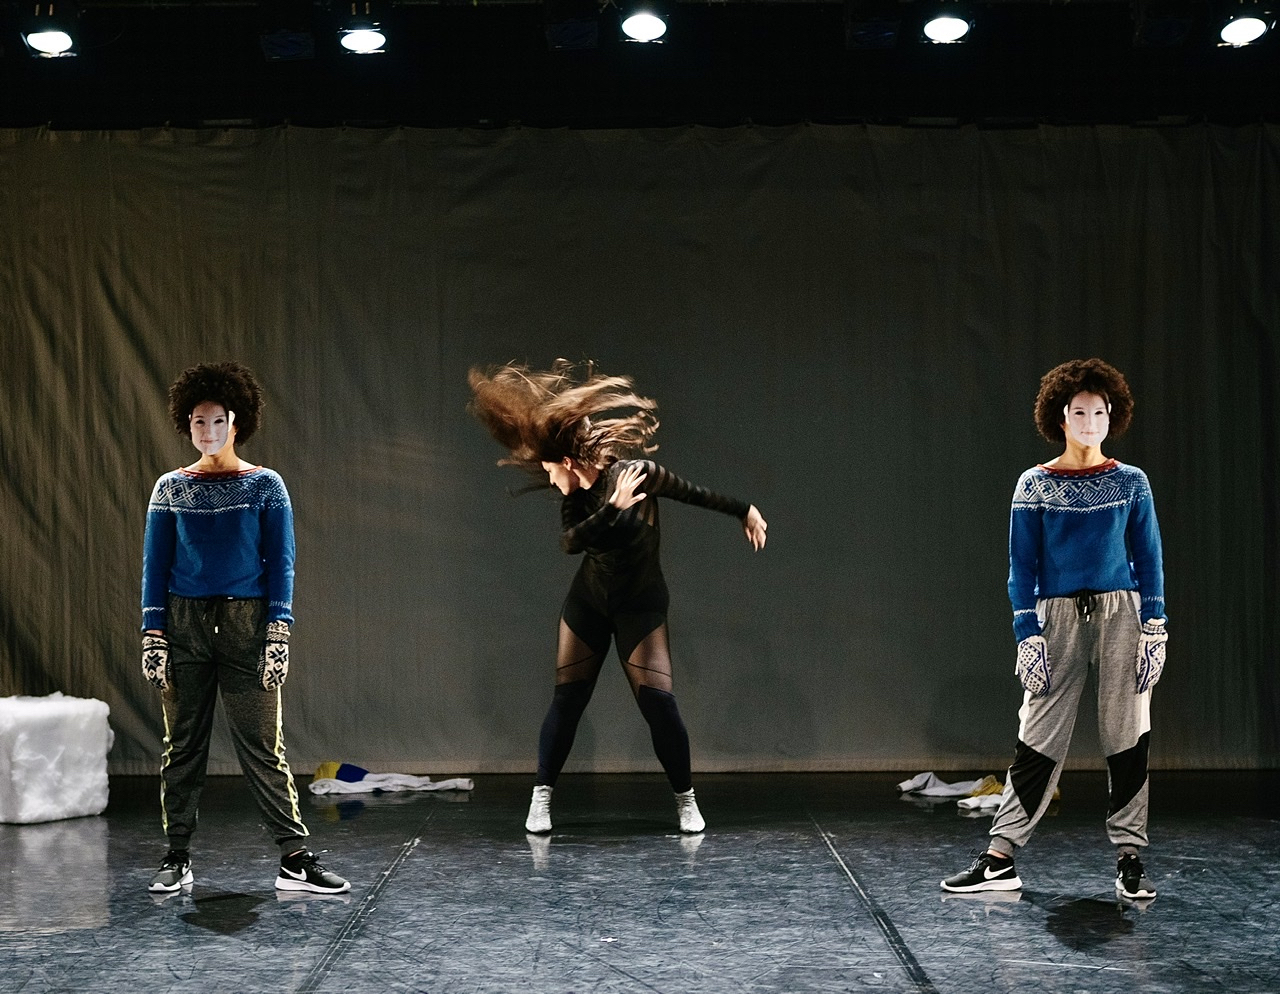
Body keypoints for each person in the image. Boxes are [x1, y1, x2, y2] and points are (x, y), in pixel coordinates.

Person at [468, 360, 768, 835]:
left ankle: (686, 801)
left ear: (567, 462)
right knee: (567, 701)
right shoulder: (578, 500)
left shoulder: (637, 474)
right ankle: (541, 797)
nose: (549, 480)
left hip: (640, 606)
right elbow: (572, 542)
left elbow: (695, 493)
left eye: (550, 470)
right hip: (587, 603)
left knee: (659, 706)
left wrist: (745, 510)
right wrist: (611, 508)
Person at [941, 358, 1167, 901]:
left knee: (1127, 734)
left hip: (1122, 615)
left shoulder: (1131, 482)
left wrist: (1155, 626)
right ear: (1061, 417)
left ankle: (1130, 857)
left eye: (1100, 412)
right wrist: (1028, 634)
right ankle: (999, 859)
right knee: (1037, 735)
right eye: (1080, 412)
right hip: (1058, 618)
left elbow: (1149, 556)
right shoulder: (1035, 485)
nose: (1090, 422)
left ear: (1112, 417)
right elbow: (1023, 566)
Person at [140, 361, 349, 895]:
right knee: (182, 745)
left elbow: (281, 563)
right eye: (197, 422)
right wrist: (153, 634)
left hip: (246, 624)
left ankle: (295, 858)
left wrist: (278, 631)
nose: (206, 433)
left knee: (261, 744)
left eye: (216, 422)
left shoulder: (265, 486)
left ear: (237, 423)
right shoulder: (170, 488)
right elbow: (155, 568)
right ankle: (177, 855)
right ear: (186, 425)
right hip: (185, 624)